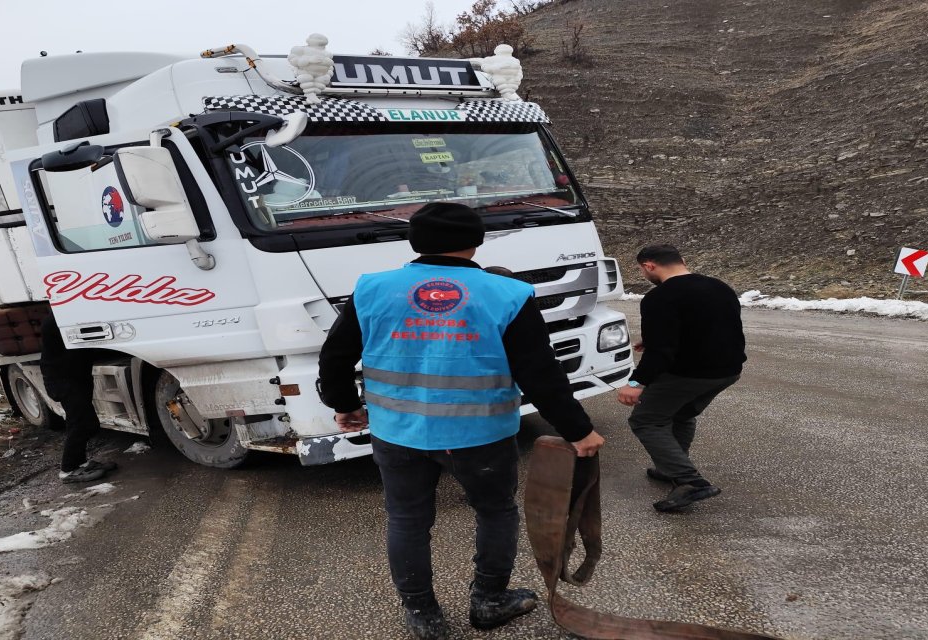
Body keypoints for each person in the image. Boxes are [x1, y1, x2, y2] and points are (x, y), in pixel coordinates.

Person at [318, 202, 606, 640]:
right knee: (494, 512)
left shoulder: (373, 288)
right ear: (476, 241)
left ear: (415, 242)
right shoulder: (507, 293)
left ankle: (422, 614)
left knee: (407, 519)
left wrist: (345, 404)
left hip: (397, 433)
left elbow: (336, 356)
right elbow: (540, 373)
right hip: (480, 435)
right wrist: (578, 431)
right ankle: (488, 600)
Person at [616, 244, 746, 512]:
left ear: (648, 266)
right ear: (682, 260)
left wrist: (636, 383)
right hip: (727, 371)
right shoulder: (719, 286)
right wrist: (651, 339)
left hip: (689, 373)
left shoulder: (659, 298)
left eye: (642, 270)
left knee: (646, 420)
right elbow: (713, 326)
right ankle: (670, 468)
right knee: (681, 414)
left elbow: (662, 353)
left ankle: (690, 482)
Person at [39, 315, 117, 483]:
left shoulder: (61, 316)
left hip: (74, 377)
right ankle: (68, 470)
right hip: (63, 380)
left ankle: (80, 462)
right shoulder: (55, 320)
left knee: (85, 423)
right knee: (81, 424)